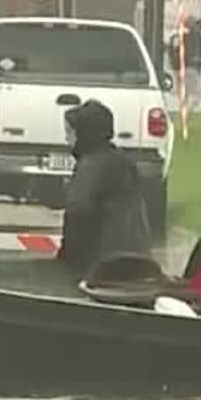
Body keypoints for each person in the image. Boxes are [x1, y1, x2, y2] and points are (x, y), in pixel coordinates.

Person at [57, 99, 153, 276]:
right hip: (137, 258)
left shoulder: (90, 167)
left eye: (70, 133)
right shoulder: (123, 161)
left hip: (102, 265)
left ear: (84, 134)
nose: (66, 139)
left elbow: (78, 215)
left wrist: (66, 260)